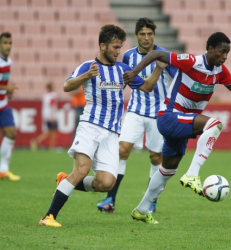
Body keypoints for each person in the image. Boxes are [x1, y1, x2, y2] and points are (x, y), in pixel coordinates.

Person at [124, 31, 231, 224]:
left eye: (228, 52)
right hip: (169, 116)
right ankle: (193, 174)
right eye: (222, 51)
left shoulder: (220, 71)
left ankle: (142, 210)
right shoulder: (192, 62)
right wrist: (134, 73)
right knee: (215, 124)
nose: (225, 56)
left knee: (167, 170)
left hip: (181, 121)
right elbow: (155, 54)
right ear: (210, 49)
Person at [38, 24, 166, 227]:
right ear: (103, 45)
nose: (118, 51)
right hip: (90, 126)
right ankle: (48, 217)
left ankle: (65, 180)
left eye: (120, 47)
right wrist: (86, 76)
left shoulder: (123, 70)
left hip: (111, 134)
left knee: (106, 183)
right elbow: (67, 85)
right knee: (82, 170)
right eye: (115, 47)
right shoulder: (88, 65)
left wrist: (158, 69)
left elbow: (147, 87)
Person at [96, 17, 177, 214]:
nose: (146, 38)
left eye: (150, 34)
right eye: (142, 34)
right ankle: (110, 200)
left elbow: (177, 78)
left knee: (156, 157)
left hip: (159, 114)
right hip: (135, 111)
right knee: (122, 150)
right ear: (136, 35)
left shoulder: (165, 55)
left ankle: (151, 200)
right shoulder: (129, 56)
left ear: (154, 36)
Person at [0, 32, 20, 181]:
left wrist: (8, 92)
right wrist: (7, 89)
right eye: (5, 43)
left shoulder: (8, 62)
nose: (8, 46)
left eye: (9, 43)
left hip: (3, 103)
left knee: (11, 133)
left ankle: (3, 169)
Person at [30, 82, 58, 151]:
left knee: (50, 132)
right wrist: (53, 116)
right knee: (53, 132)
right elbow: (52, 105)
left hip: (46, 115)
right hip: (51, 115)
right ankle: (51, 147)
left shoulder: (45, 95)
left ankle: (38, 141)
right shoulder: (53, 95)